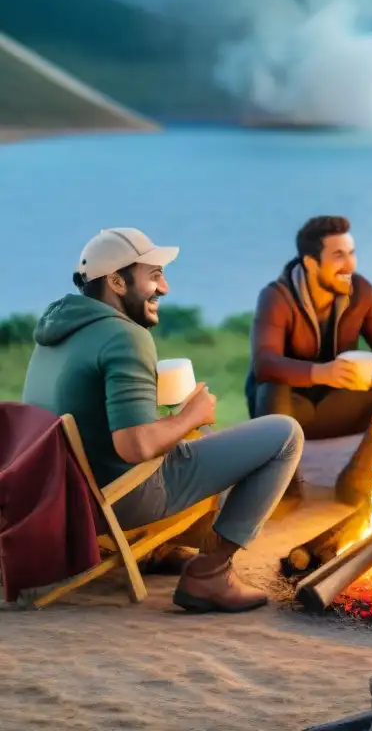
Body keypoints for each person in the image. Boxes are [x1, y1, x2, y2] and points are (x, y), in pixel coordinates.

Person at [22, 228, 303, 613]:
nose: (165, 288)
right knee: (284, 435)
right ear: (117, 281)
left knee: (206, 443)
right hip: (122, 496)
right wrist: (191, 415)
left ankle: (158, 549)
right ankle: (210, 575)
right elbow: (134, 446)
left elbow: (91, 415)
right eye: (154, 275)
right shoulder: (124, 336)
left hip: (67, 497)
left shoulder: (56, 332)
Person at [246, 215, 372, 505]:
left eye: (351, 253)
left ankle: (358, 477)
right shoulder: (277, 296)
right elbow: (265, 363)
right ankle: (284, 487)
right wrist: (320, 373)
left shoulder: (361, 291)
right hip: (292, 413)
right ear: (311, 263)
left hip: (340, 405)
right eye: (339, 256)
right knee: (271, 386)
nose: (350, 264)